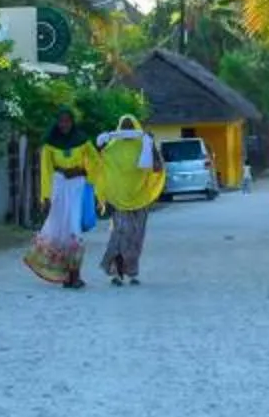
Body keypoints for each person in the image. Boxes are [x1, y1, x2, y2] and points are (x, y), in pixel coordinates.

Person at [90, 114, 166, 285]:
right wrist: (100, 145)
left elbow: (157, 168)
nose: (127, 130)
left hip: (140, 199)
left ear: (136, 128)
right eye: (124, 127)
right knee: (119, 235)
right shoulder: (111, 147)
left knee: (135, 237)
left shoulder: (144, 145)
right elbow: (98, 166)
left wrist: (151, 144)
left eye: (130, 127)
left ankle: (131, 272)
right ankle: (116, 273)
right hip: (118, 200)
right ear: (119, 128)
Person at [26, 108, 94, 288]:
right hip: (58, 185)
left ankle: (75, 275)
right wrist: (45, 196)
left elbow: (95, 163)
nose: (64, 125)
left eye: (67, 121)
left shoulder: (83, 141)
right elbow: (46, 171)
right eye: (61, 121)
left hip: (77, 186)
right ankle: (65, 276)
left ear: (72, 122)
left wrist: (83, 171)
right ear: (57, 122)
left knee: (74, 229)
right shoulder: (49, 144)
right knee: (58, 229)